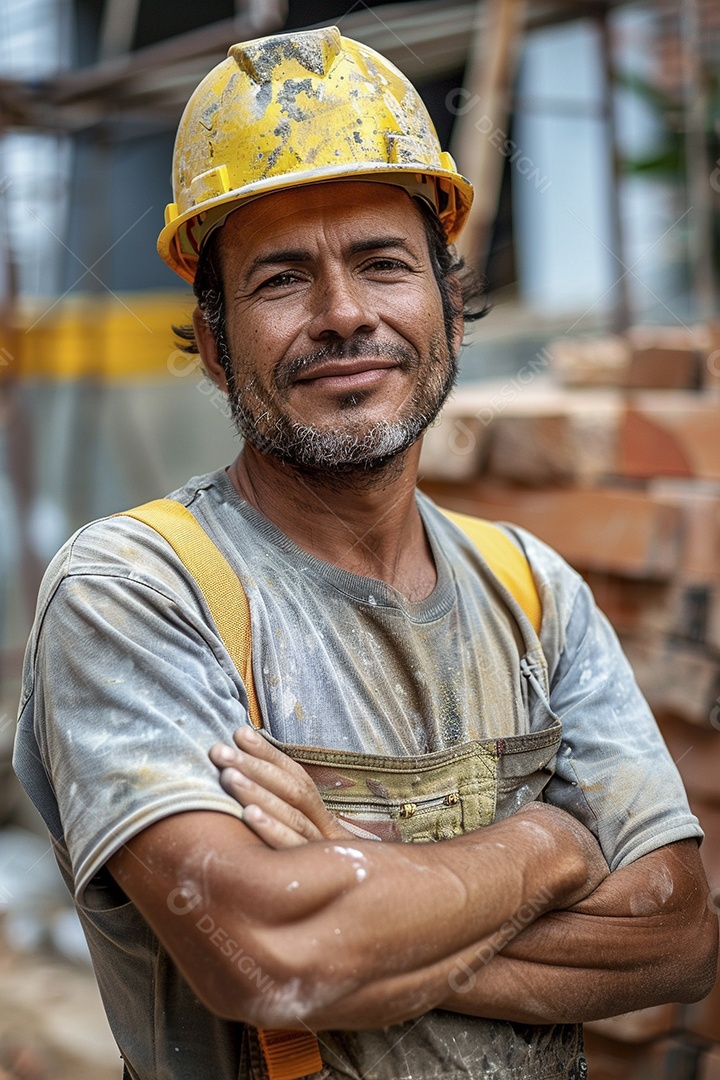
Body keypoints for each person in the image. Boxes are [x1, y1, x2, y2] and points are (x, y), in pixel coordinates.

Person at [13, 24, 717, 1080]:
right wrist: (551, 849)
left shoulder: (533, 593)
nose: (345, 315)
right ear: (212, 341)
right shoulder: (137, 593)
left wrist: (363, 887)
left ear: (447, 308)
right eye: (282, 280)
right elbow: (275, 959)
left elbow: (678, 932)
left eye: (384, 264)